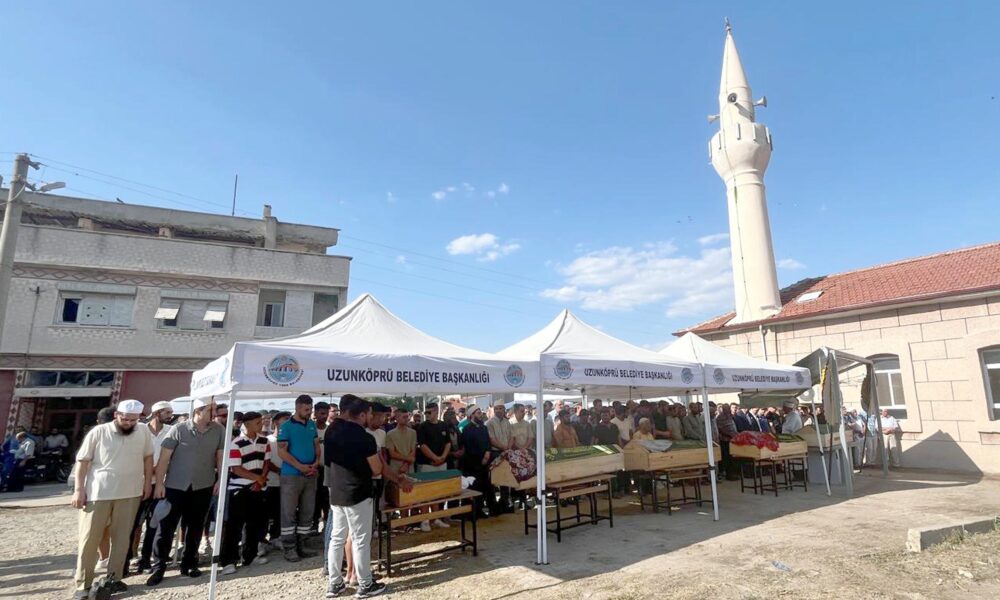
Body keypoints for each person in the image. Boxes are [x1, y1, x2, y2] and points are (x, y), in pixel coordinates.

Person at [325, 396, 412, 598]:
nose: (371, 418)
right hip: (358, 493)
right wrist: (398, 479)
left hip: (336, 491)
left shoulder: (331, 430)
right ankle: (365, 584)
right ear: (362, 414)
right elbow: (376, 469)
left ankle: (335, 583)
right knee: (360, 540)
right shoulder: (364, 437)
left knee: (337, 538)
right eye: (370, 414)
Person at [71, 399, 153, 599]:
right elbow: (83, 461)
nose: (129, 423)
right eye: (125, 419)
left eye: (133, 420)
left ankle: (114, 578)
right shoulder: (98, 432)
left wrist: (147, 483)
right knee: (90, 538)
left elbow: (148, 457)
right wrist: (78, 490)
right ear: (117, 415)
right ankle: (83, 584)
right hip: (98, 493)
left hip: (130, 492)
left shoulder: (143, 431)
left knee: (122, 538)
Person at [146, 398, 225, 586]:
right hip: (175, 486)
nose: (214, 413)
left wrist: (220, 480)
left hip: (203, 485)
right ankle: (159, 567)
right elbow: (164, 458)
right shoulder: (178, 429)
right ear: (198, 411)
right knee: (166, 527)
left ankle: (189, 563)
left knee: (196, 526)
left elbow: (220, 456)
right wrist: (159, 484)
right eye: (211, 409)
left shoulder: (218, 430)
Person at [219, 411, 271, 575]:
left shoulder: (264, 441)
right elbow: (236, 469)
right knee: (234, 526)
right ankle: (228, 561)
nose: (261, 425)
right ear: (247, 424)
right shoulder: (236, 443)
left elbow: (266, 462)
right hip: (239, 489)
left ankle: (250, 556)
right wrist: (257, 478)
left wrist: (260, 480)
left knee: (255, 524)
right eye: (257, 422)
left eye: (261, 421)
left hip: (258, 487)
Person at [127, 400, 174, 574]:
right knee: (133, 524)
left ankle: (146, 559)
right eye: (167, 412)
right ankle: (126, 560)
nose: (170, 416)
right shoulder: (140, 430)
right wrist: (147, 469)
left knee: (155, 523)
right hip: (138, 484)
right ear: (156, 413)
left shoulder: (171, 431)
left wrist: (160, 470)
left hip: (160, 484)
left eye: (171, 413)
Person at [276, 394, 321, 562]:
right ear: (297, 407)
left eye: (310, 409)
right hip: (291, 475)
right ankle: (289, 547)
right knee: (288, 512)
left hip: (311, 474)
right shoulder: (286, 426)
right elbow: (282, 451)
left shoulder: (311, 425)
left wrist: (316, 462)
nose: (309, 412)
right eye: (306, 409)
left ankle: (303, 544)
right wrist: (299, 466)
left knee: (307, 511)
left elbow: (316, 445)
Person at [415, 403, 452, 530]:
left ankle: (436, 518)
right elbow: (422, 445)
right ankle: (425, 520)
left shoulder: (443, 425)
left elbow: (448, 443)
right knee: (425, 493)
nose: (427, 415)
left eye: (429, 412)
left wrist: (443, 457)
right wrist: (435, 458)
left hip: (442, 463)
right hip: (427, 464)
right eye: (426, 412)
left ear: (436, 411)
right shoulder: (422, 427)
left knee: (438, 492)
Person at [262, 411, 290, 554]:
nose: (287, 422)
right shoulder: (267, 440)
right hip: (270, 482)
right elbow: (266, 461)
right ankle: (262, 541)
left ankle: (276, 537)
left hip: (285, 483)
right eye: (284, 419)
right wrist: (278, 470)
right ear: (275, 422)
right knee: (266, 513)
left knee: (280, 511)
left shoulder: (289, 440)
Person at [459, 406, 494, 517]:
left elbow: (488, 443)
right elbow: (469, 448)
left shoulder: (484, 428)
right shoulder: (467, 429)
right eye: (478, 413)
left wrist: (487, 454)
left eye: (480, 413)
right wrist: (481, 458)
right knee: (473, 487)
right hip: (472, 464)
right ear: (472, 415)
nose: (480, 415)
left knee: (483, 487)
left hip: (484, 463)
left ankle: (479, 510)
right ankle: (471, 512)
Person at [486, 403, 513, 513]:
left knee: (505, 479)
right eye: (496, 408)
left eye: (500, 408)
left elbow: (511, 437)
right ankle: (494, 507)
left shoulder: (507, 422)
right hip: (495, 453)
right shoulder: (490, 423)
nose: (498, 410)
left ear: (504, 409)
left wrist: (508, 448)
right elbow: (491, 440)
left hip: (506, 453)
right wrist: (504, 448)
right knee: (494, 479)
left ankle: (505, 503)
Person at [312, 401, 332, 535]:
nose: (324, 416)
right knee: (314, 498)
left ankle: (326, 524)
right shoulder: (310, 429)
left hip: (327, 468)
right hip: (313, 468)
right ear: (315, 413)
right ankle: (314, 524)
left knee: (326, 498)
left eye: (326, 413)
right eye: (322, 413)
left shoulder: (331, 429)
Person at [384, 406, 416, 475]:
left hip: (409, 467)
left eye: (407, 417)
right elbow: (392, 454)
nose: (407, 419)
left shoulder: (413, 432)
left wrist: (406, 464)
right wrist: (408, 459)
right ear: (397, 418)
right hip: (396, 467)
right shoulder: (390, 434)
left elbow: (413, 451)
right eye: (404, 417)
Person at [716, 404, 739, 480]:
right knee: (726, 458)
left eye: (729, 408)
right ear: (723, 409)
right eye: (727, 409)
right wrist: (731, 434)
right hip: (725, 441)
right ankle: (728, 475)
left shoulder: (730, 416)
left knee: (732, 458)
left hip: (732, 440)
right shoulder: (720, 418)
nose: (728, 410)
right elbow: (721, 429)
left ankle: (733, 473)